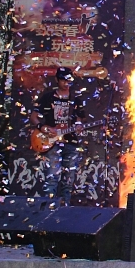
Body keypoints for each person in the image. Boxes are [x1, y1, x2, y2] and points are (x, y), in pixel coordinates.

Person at [30, 67, 86, 205]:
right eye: (63, 80)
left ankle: (65, 209)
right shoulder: (48, 97)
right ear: (57, 80)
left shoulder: (75, 99)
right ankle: (49, 209)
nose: (66, 83)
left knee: (68, 179)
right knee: (52, 177)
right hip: (52, 142)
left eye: (68, 80)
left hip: (70, 142)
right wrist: (42, 127)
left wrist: (78, 126)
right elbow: (34, 116)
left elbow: (79, 119)